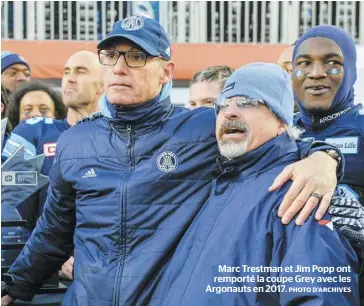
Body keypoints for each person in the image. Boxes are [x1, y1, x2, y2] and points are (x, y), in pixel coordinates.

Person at [1, 16, 343, 305]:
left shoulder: (201, 129)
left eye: (136, 57)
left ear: (166, 72)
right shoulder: (75, 141)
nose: (120, 68)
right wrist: (14, 288)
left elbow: (272, 139)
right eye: (110, 56)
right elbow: (53, 233)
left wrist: (325, 158)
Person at [154, 63, 359, 306]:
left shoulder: (301, 192)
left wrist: (325, 157)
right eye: (222, 105)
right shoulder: (216, 185)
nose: (229, 112)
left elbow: (320, 298)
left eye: (247, 102)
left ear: (282, 121)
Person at [1, 51, 103, 281]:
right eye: (66, 72)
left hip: (98, 272)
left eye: (81, 71)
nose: (70, 78)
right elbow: (11, 213)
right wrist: (44, 265)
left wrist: (82, 256)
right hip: (39, 279)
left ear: (102, 85)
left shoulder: (120, 138)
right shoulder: (33, 131)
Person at [292, 24, 364, 304]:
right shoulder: (275, 131)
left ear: (352, 72)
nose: (316, 72)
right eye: (304, 63)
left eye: (332, 63)